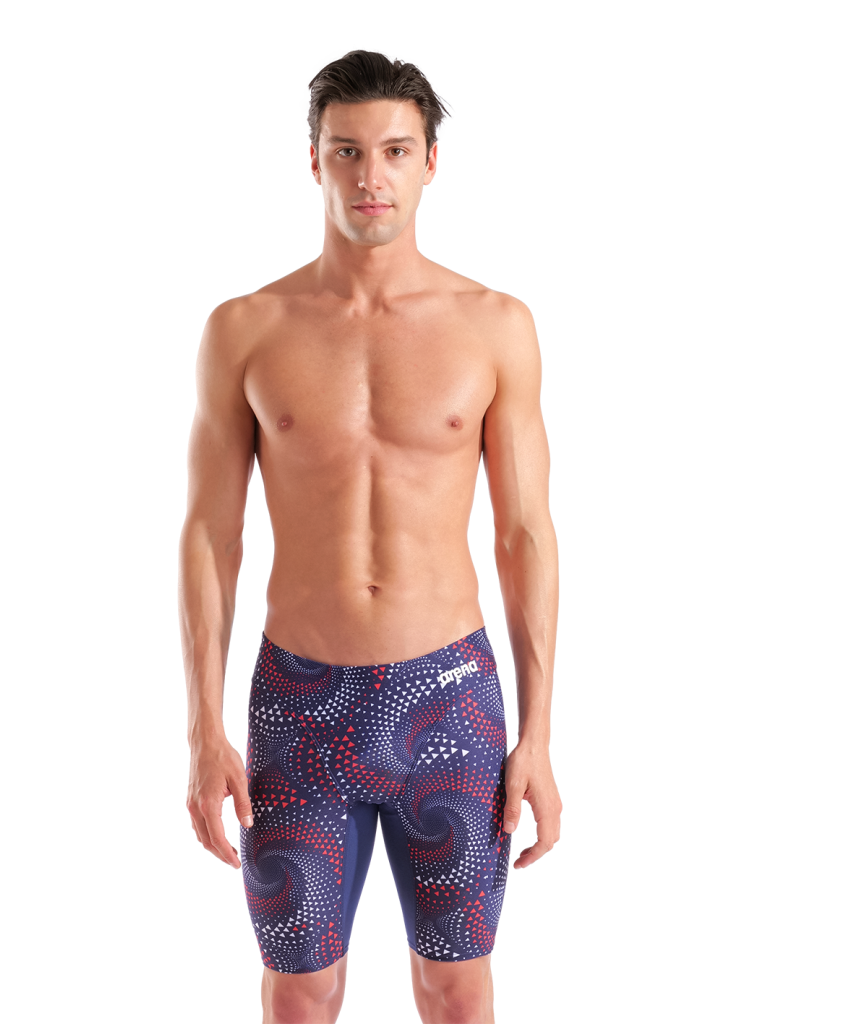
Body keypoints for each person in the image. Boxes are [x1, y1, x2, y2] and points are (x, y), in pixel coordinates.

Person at [179, 50, 561, 1024]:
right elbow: (210, 535)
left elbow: (524, 533)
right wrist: (202, 727)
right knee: (300, 995)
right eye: (346, 151)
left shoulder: (494, 326)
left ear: (431, 162)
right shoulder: (246, 329)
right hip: (298, 708)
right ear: (313, 160)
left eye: (394, 150)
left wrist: (539, 733)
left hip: (451, 701)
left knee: (456, 988)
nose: (370, 176)